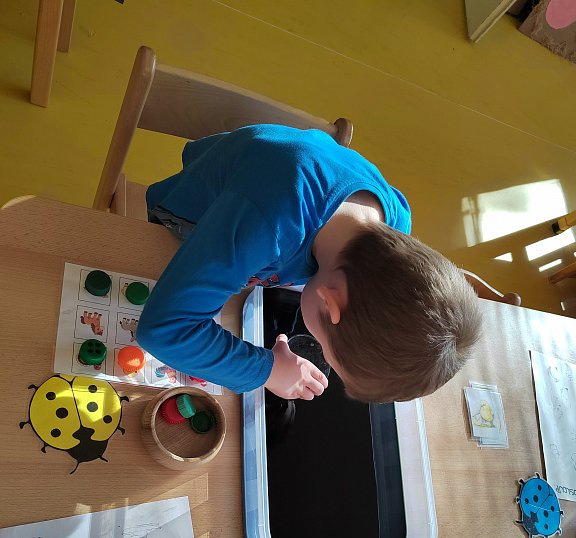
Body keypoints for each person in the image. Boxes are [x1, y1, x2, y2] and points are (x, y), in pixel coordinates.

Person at [137, 124, 482, 403]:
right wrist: (268, 370)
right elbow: (164, 330)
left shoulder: (395, 223)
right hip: (184, 216)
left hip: (252, 210)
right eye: (326, 352)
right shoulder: (269, 221)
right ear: (330, 302)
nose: (321, 353)